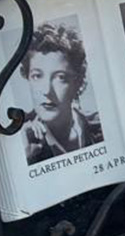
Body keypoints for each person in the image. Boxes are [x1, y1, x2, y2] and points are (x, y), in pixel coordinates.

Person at [22, 21, 103, 163]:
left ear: (78, 82)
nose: (46, 90)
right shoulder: (22, 142)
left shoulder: (101, 126)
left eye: (60, 77)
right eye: (37, 76)